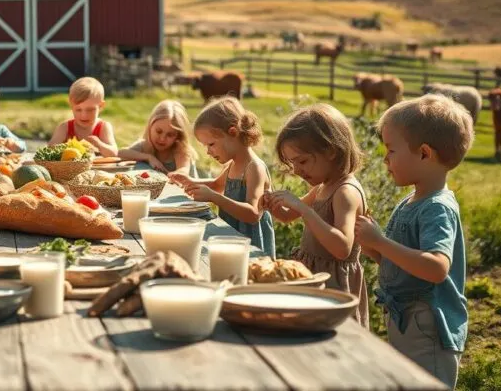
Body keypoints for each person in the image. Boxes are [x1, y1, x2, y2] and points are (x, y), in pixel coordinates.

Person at [354, 94, 474, 389]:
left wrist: (381, 242)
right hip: (407, 319)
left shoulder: (436, 208)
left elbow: (436, 268)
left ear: (424, 153)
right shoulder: (412, 200)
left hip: (429, 328)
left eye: (391, 149)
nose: (385, 158)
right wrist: (372, 246)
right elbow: (403, 263)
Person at [264, 103, 369, 326]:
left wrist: (305, 209)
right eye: (292, 163)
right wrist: (271, 204)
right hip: (315, 279)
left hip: (336, 287)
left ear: (331, 151)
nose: (296, 170)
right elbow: (287, 216)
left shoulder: (345, 192)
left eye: (302, 161)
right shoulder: (322, 187)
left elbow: (342, 248)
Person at [173, 97, 275, 257]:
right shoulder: (233, 165)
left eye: (211, 144)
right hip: (231, 239)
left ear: (233, 132)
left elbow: (253, 214)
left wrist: (214, 198)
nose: (208, 151)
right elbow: (216, 185)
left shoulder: (254, 168)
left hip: (250, 246)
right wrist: (190, 181)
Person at [118, 99, 198, 175]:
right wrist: (149, 157)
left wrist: (170, 175)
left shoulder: (181, 149)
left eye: (170, 135)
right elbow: (120, 153)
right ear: (150, 126)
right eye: (159, 131)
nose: (162, 139)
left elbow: (183, 171)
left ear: (178, 136)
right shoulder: (145, 145)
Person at [48, 76, 118, 156]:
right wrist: (68, 147)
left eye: (90, 110)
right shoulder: (65, 127)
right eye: (78, 110)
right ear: (71, 105)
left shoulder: (103, 127)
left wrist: (99, 144)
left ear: (101, 106)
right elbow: (49, 149)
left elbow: (114, 153)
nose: (84, 115)